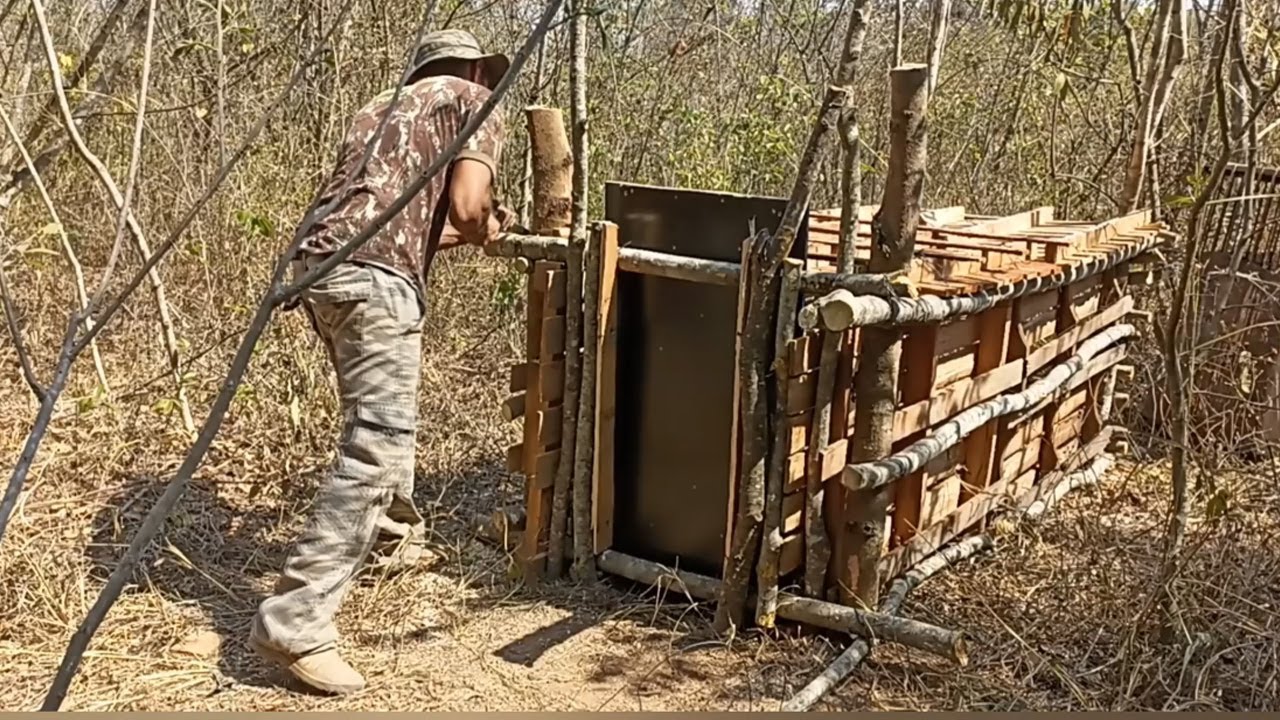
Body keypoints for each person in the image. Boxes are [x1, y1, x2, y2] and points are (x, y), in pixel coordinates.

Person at [249, 29, 511, 695]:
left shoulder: (379, 108)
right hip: (373, 281)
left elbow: (400, 221)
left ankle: (392, 544)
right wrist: (488, 228)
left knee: (377, 423)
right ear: (476, 68)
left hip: (320, 271)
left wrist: (464, 230)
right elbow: (468, 206)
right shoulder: (475, 98)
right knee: (377, 441)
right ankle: (296, 621)